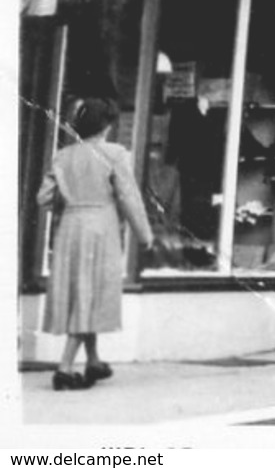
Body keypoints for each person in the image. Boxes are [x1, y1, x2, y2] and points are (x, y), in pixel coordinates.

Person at [37, 97, 154, 390]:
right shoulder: (114, 153)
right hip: (101, 228)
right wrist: (145, 235)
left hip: (70, 228)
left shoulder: (63, 156)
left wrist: (72, 204)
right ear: (106, 126)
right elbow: (129, 197)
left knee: (81, 293)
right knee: (91, 294)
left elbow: (44, 198)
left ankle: (93, 361)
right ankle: (64, 368)